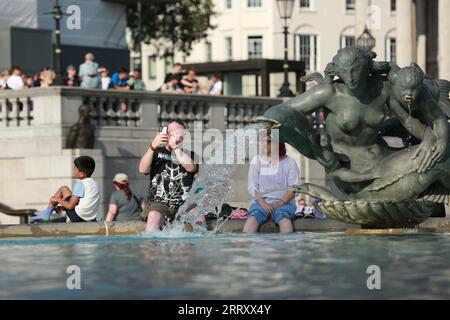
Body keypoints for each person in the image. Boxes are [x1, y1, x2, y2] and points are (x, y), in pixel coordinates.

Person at [138, 120, 204, 232]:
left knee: (199, 218)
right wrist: (152, 146)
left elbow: (191, 168)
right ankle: (149, 246)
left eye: (180, 133)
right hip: (159, 202)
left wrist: (176, 148)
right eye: (172, 132)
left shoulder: (191, 154)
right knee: (153, 218)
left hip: (185, 203)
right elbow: (142, 169)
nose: (177, 136)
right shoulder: (156, 151)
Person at [243, 135, 300, 234]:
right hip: (260, 202)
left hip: (285, 204)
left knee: (283, 217)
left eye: (269, 141)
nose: (265, 144)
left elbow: (294, 188)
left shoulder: (289, 162)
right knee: (253, 217)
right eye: (263, 141)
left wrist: (280, 202)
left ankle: (287, 247)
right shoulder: (256, 160)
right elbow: (252, 187)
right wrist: (263, 204)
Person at [31, 156, 100, 223]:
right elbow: (83, 202)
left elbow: (70, 206)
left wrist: (57, 199)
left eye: (75, 169)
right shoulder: (94, 183)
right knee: (66, 192)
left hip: (79, 216)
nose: (74, 171)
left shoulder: (81, 184)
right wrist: (64, 208)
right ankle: (48, 214)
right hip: (90, 217)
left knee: (63, 188)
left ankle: (47, 214)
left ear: (81, 174)